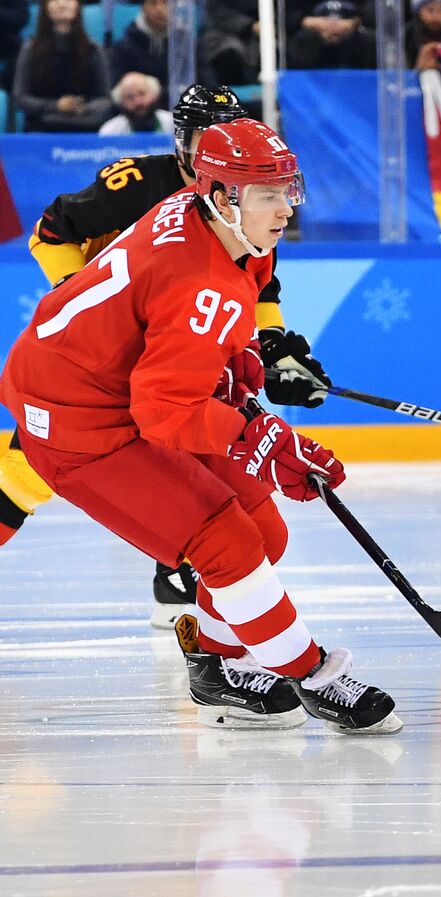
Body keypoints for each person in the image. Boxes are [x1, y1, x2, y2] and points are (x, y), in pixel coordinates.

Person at [0, 118, 400, 735]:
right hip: (79, 421)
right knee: (225, 543)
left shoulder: (209, 218)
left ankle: (216, 667)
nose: (286, 207)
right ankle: (312, 674)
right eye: (269, 194)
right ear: (221, 195)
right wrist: (266, 439)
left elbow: (179, 328)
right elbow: (167, 409)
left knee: (263, 527)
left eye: (288, 188)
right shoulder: (201, 280)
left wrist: (242, 362)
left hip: (112, 385)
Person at [5, 84, 333, 628]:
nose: (218, 147)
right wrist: (85, 303)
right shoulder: (137, 183)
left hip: (163, 357)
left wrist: (271, 347)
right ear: (183, 142)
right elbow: (50, 231)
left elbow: (255, 286)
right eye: (207, 137)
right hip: (102, 365)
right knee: (22, 475)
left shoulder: (250, 196)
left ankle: (185, 580)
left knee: (186, 470)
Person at [12, 0, 111, 132]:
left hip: (85, 126)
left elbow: (105, 99)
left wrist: (81, 108)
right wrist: (56, 106)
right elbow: (20, 97)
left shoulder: (93, 49)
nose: (62, 4)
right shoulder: (31, 49)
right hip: (41, 127)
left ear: (78, 6)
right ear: (45, 7)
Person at [99, 72, 173, 135]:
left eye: (142, 93)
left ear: (154, 93)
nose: (138, 102)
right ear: (121, 102)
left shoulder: (174, 123)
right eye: (130, 97)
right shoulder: (109, 131)